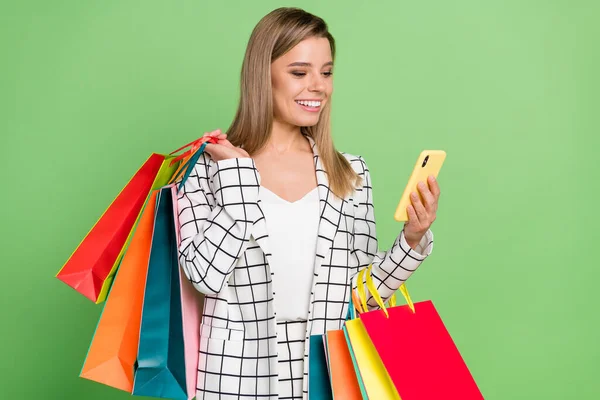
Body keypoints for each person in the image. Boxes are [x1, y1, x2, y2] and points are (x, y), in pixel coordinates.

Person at [176, 7, 439, 400]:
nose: (318, 86)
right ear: (261, 75)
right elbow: (203, 276)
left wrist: (412, 240)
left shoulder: (350, 173)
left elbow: (360, 295)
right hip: (235, 374)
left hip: (329, 369)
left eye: (327, 72)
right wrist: (240, 179)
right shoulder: (209, 168)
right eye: (300, 72)